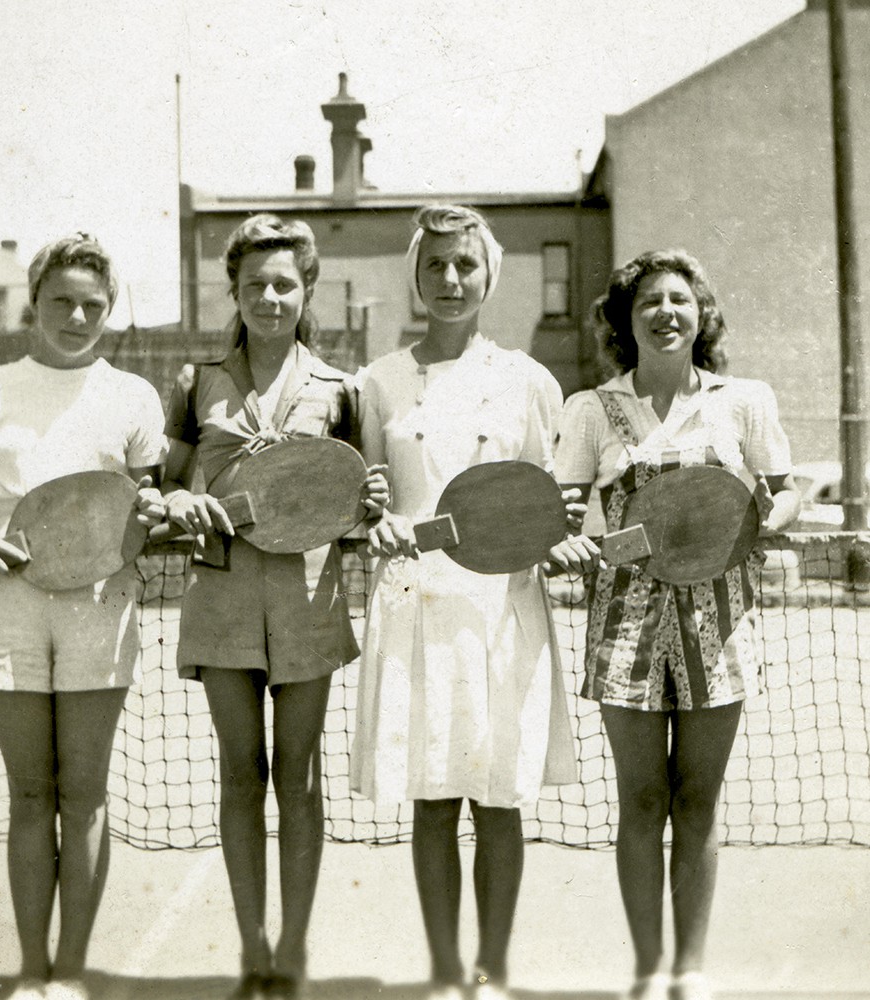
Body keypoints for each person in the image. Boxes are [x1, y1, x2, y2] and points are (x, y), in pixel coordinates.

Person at [0, 234, 168, 1000]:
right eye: (62, 300)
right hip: (9, 604)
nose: (78, 315)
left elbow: (149, 502)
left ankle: (70, 974)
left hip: (101, 609)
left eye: (95, 304)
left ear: (111, 310)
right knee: (30, 796)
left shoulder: (132, 396)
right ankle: (31, 970)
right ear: (35, 300)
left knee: (83, 794)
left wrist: (153, 510)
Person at [552, 250, 800, 1000]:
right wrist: (562, 539)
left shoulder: (744, 400)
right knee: (642, 802)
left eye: (679, 301)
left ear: (701, 316)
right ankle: (647, 970)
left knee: (697, 801)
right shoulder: (591, 409)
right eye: (648, 303)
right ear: (627, 324)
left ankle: (689, 970)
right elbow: (564, 512)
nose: (665, 313)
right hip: (623, 626)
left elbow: (784, 494)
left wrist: (750, 526)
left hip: (718, 627)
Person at [349, 204, 580, 1000]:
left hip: (501, 612)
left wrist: (563, 533)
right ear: (415, 274)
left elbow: (545, 500)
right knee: (435, 800)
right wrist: (376, 519)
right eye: (436, 265)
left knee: (501, 799)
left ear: (489, 276)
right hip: (417, 610)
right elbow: (367, 500)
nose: (450, 280)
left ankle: (493, 974)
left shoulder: (530, 380)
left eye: (465, 266)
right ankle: (446, 974)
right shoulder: (375, 383)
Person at [160, 214, 388, 1000]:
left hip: (308, 601)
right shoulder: (197, 384)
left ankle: (293, 945)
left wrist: (370, 503)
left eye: (284, 282)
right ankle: (251, 943)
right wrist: (179, 503)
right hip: (220, 599)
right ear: (234, 289)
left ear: (307, 289)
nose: (268, 296)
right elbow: (167, 484)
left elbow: (360, 504)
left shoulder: (341, 390)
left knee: (301, 779)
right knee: (239, 776)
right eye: (253, 283)